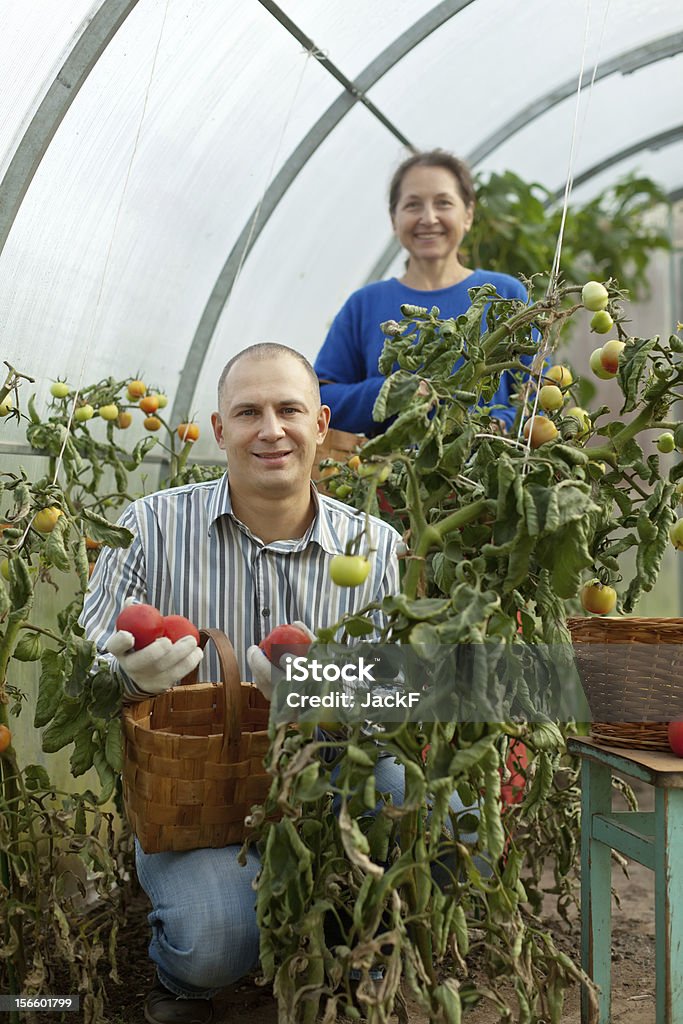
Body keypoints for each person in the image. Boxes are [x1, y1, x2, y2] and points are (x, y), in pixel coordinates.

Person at [81, 343, 476, 1024]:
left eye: (288, 409)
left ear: (321, 423)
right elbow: (83, 667)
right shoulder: (147, 527)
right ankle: (185, 978)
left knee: (452, 823)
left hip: (330, 779)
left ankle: (350, 947)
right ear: (218, 429)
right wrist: (122, 672)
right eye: (248, 412)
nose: (271, 429)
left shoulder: (373, 547)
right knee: (213, 943)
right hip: (199, 797)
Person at [314, 150, 535, 437]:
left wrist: (497, 424)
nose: (429, 218)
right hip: (392, 477)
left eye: (443, 203)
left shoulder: (505, 295)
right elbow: (318, 402)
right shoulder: (365, 305)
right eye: (413, 205)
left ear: (467, 215)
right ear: (394, 220)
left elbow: (537, 396)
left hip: (487, 475)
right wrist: (387, 392)